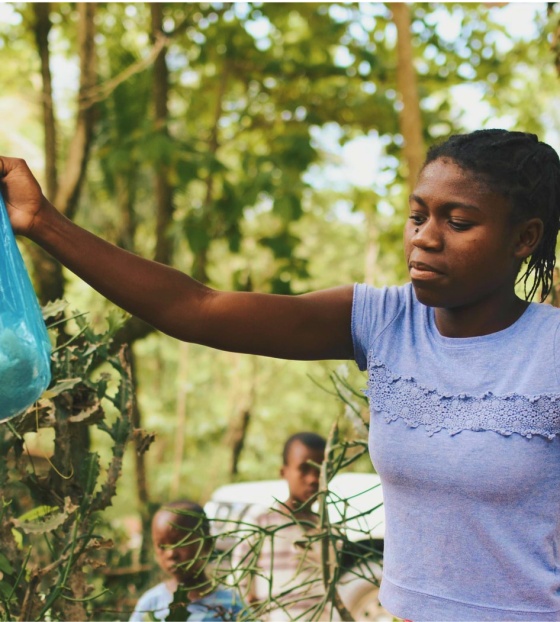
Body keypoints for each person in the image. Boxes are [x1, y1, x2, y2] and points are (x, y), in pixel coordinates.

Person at [1, 127, 560, 620]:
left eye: (458, 221)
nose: (425, 237)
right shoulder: (383, 321)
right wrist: (42, 222)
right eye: (418, 215)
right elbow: (195, 308)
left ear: (524, 238)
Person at [231, 432, 332, 621]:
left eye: (320, 470)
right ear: (283, 472)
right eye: (304, 469)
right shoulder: (260, 521)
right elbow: (239, 587)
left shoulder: (328, 531)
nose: (313, 479)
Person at [129, 500, 246, 621]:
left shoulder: (232, 604)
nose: (171, 553)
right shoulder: (150, 605)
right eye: (162, 546)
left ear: (207, 544)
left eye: (181, 542)